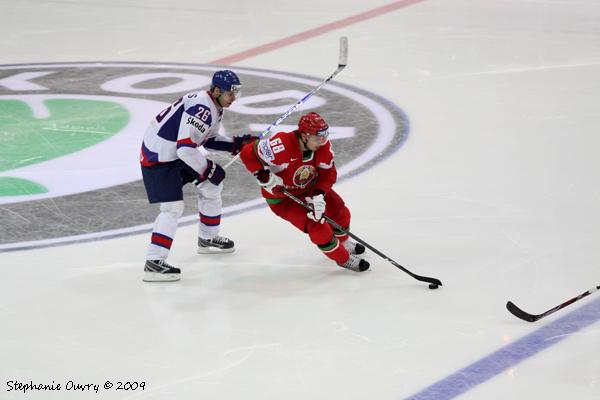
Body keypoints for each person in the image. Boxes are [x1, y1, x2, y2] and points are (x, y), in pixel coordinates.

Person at [140, 69, 254, 282]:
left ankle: (208, 238)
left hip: (174, 152)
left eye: (235, 94)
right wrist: (208, 169)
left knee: (211, 186)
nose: (233, 98)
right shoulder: (203, 108)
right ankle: (154, 262)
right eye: (230, 93)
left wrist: (237, 144)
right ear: (217, 90)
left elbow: (207, 140)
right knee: (172, 208)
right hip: (159, 158)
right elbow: (185, 149)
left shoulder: (214, 105)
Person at [239, 112, 369, 272]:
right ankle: (343, 258)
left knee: (340, 212)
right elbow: (247, 153)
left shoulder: (322, 146)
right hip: (284, 199)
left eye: (325, 136)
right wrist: (263, 176)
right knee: (318, 227)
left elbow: (328, 173)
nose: (323, 141)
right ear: (305, 135)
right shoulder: (281, 145)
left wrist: (319, 194)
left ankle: (342, 243)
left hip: (310, 188)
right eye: (318, 137)